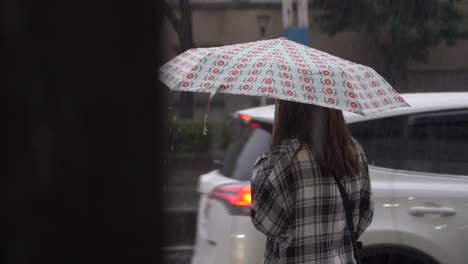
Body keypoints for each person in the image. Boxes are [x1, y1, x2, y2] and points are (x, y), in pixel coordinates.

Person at [250, 99, 374, 264]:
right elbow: (365, 216)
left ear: (288, 110)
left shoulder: (286, 159)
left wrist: (265, 163)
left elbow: (265, 221)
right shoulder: (354, 152)